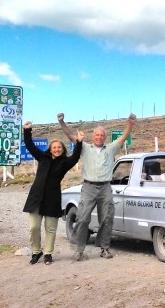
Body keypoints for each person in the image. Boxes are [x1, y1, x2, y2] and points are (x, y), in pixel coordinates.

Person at [59, 112, 136, 260]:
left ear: (105, 138)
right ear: (93, 136)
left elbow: (123, 137)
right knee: (82, 218)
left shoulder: (111, 149)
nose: (99, 137)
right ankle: (80, 250)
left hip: (105, 187)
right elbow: (70, 136)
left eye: (102, 135)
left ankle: (104, 248)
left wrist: (130, 123)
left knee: (107, 218)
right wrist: (62, 122)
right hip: (88, 187)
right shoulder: (85, 147)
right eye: (97, 135)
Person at [22, 120, 83, 265]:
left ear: (62, 149)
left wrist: (79, 142)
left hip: (52, 199)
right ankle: (36, 251)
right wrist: (27, 130)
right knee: (34, 227)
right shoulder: (42, 157)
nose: (56, 149)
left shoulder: (65, 163)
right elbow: (30, 145)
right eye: (54, 147)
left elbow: (75, 157)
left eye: (59, 147)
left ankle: (48, 253)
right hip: (36, 197)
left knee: (50, 229)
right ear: (50, 148)